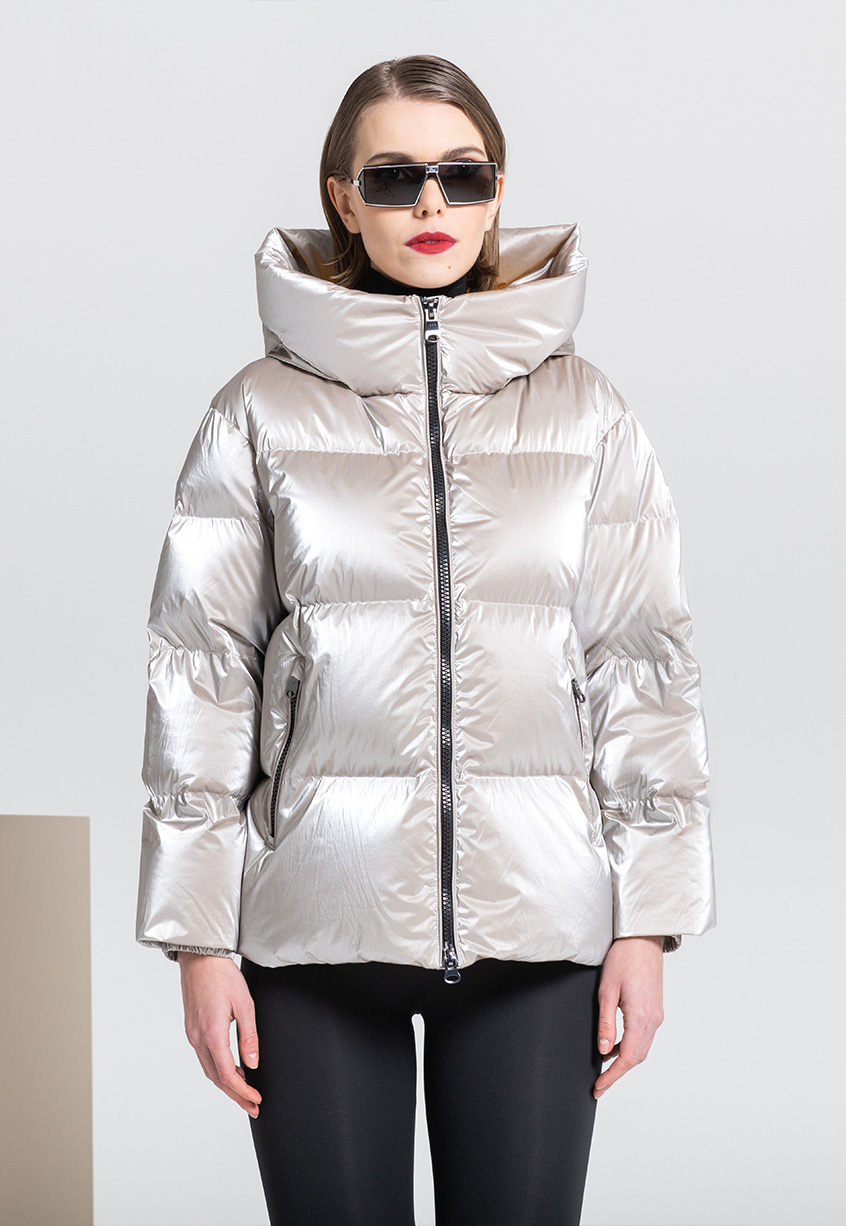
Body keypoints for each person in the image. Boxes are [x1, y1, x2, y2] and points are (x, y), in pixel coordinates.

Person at [137, 54, 716, 1226]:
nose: (433, 204)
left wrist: (648, 922)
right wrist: (198, 943)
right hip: (310, 934)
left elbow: (642, 668)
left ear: (499, 191)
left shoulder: (587, 409)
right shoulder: (258, 411)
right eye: (395, 178)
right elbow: (201, 678)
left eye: (465, 174)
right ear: (343, 198)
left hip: (540, 935)